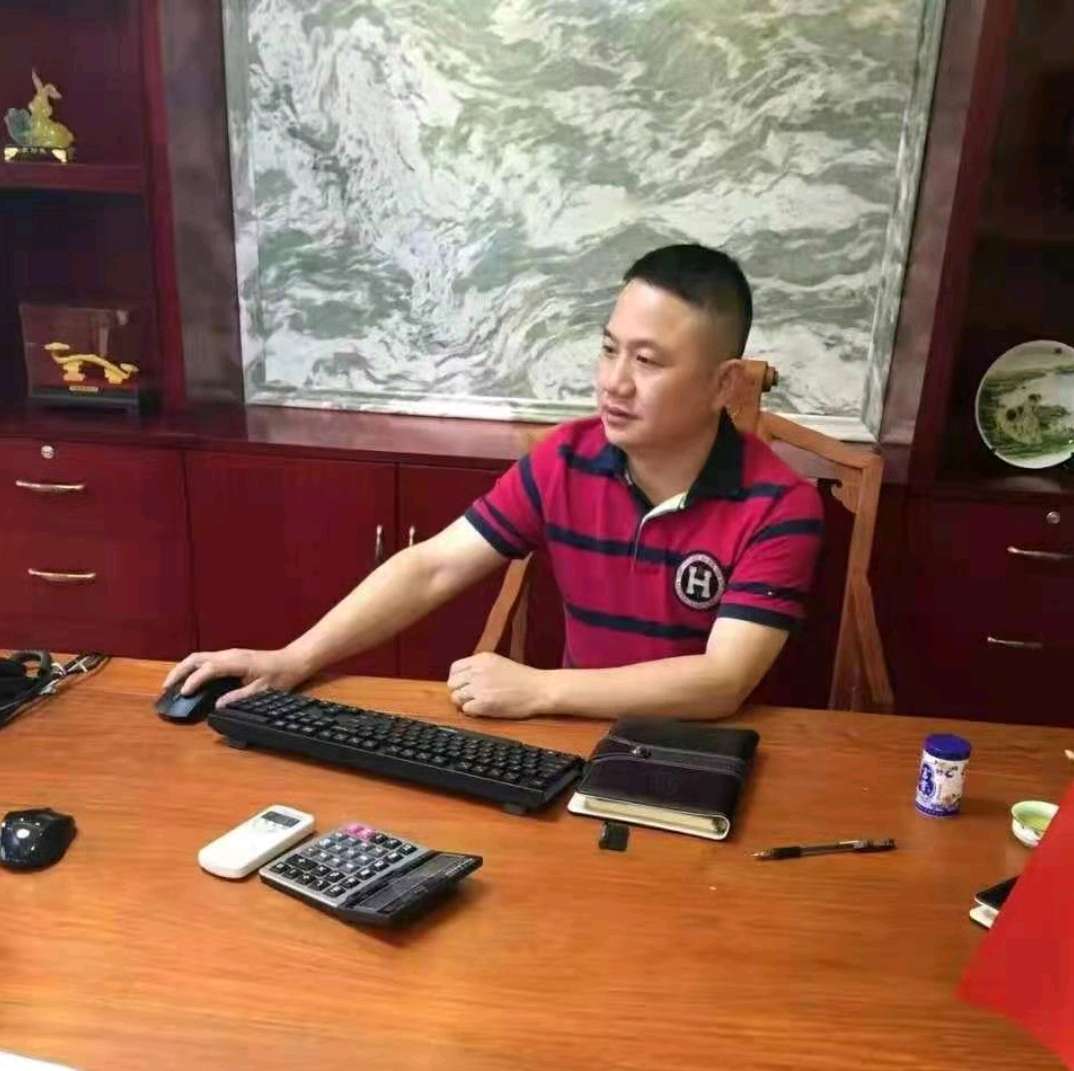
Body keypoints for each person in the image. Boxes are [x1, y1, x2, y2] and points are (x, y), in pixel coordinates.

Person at [163, 244, 823, 721]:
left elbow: (720, 682)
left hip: (705, 755)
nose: (613, 383)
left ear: (723, 383)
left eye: (647, 361)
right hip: (578, 740)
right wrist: (293, 659)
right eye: (608, 349)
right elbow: (433, 567)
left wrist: (540, 690)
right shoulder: (565, 458)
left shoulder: (780, 506)